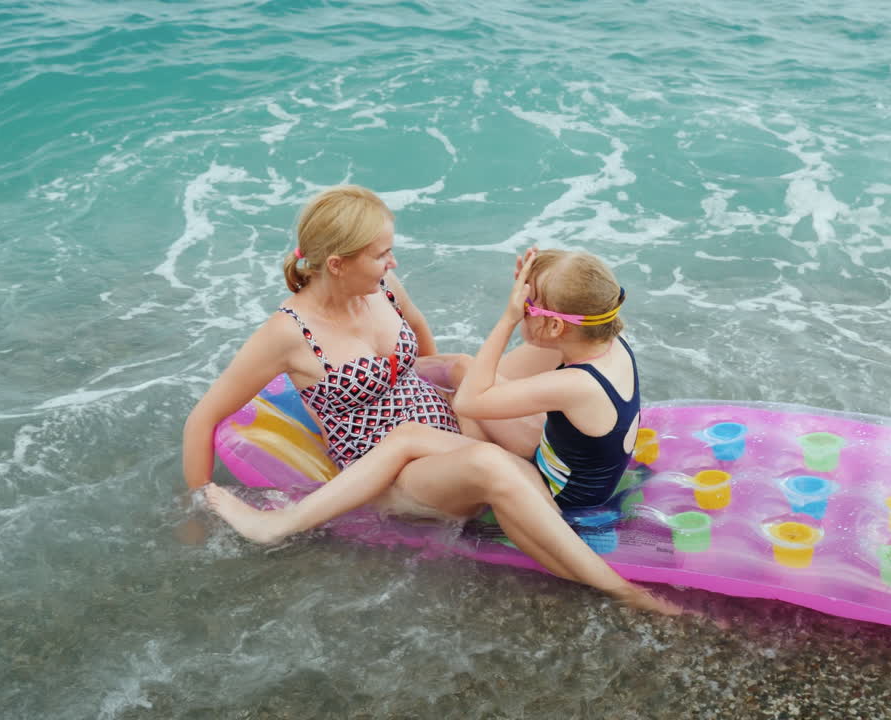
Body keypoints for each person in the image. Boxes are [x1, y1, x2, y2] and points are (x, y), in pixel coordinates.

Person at [186, 185, 677, 614]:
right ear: (337, 264)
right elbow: (203, 417)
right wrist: (196, 509)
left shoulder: (380, 286)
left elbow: (418, 329)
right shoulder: (286, 335)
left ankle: (573, 450)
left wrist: (431, 374)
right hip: (391, 470)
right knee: (489, 462)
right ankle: (624, 592)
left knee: (529, 351)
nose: (392, 263)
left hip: (443, 424)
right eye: (381, 255)